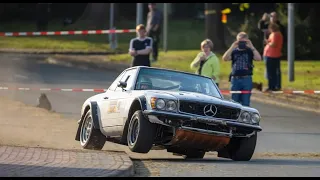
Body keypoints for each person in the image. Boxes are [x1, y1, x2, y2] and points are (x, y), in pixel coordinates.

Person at [222, 32, 262, 107]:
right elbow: (225, 58)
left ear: (247, 41)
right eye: (240, 41)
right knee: (234, 102)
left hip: (246, 79)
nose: (242, 44)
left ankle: (244, 118)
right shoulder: (234, 51)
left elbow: (258, 58)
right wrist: (232, 47)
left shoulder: (250, 51)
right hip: (235, 79)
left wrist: (251, 46)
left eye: (244, 42)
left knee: (245, 102)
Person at [263, 23, 283, 91]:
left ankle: (271, 86)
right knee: (274, 71)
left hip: (271, 55)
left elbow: (274, 44)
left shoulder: (275, 34)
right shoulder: (277, 34)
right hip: (273, 54)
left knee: (270, 72)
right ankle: (275, 86)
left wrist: (267, 42)